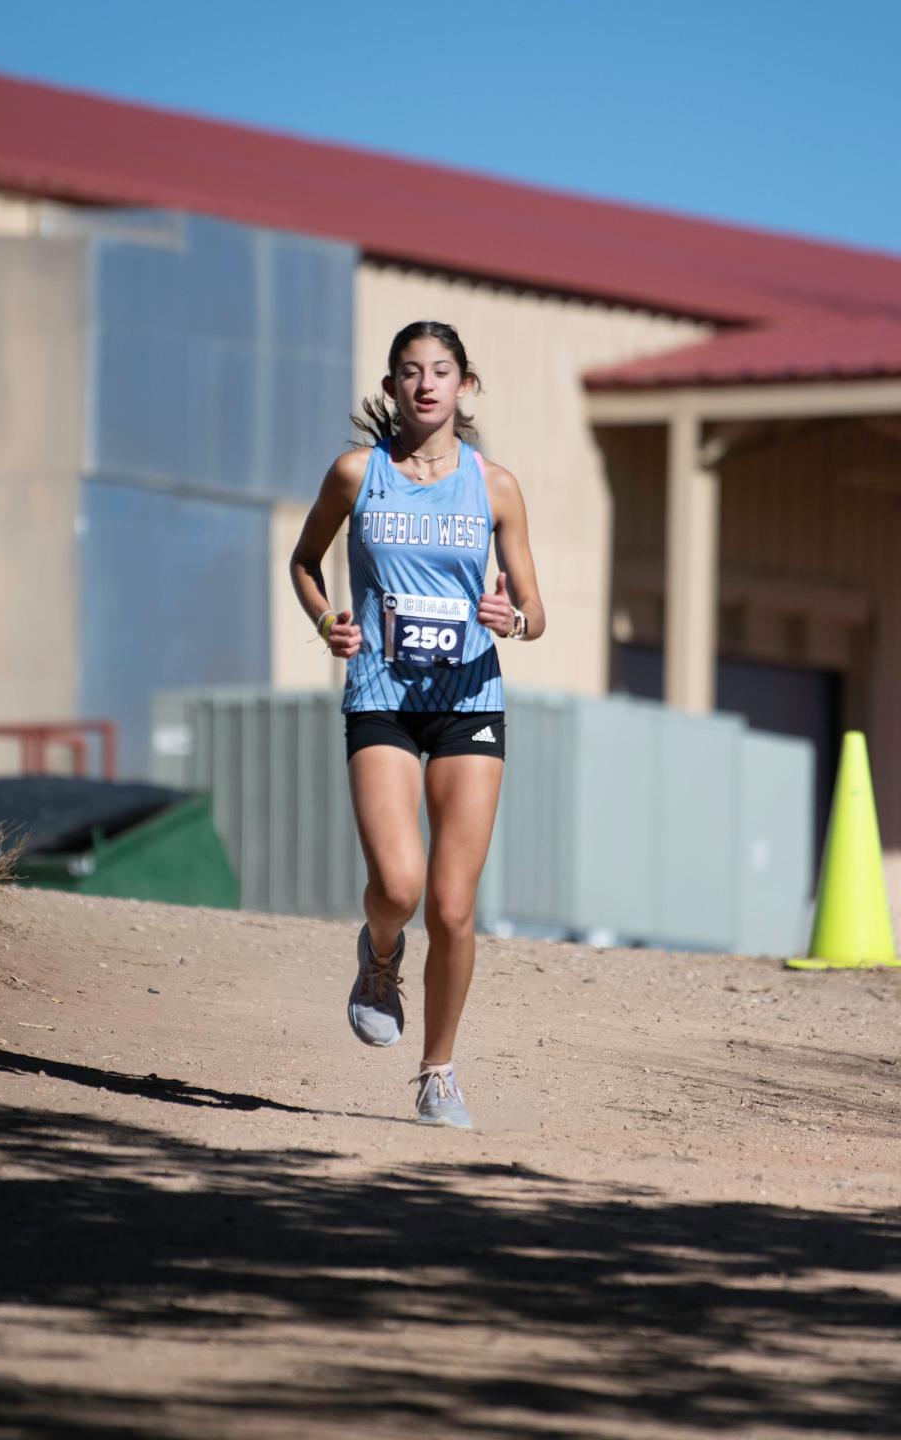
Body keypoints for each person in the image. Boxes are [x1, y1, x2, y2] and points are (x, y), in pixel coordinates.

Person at [290, 320, 544, 1127]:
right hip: (382, 697)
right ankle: (381, 955)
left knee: (454, 905)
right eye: (410, 371)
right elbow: (304, 560)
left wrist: (512, 617)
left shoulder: (495, 486)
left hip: (470, 701)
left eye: (441, 371)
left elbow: (536, 612)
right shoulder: (356, 474)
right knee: (397, 887)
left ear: (465, 386)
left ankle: (438, 1072)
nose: (426, 384)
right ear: (393, 386)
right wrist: (329, 618)